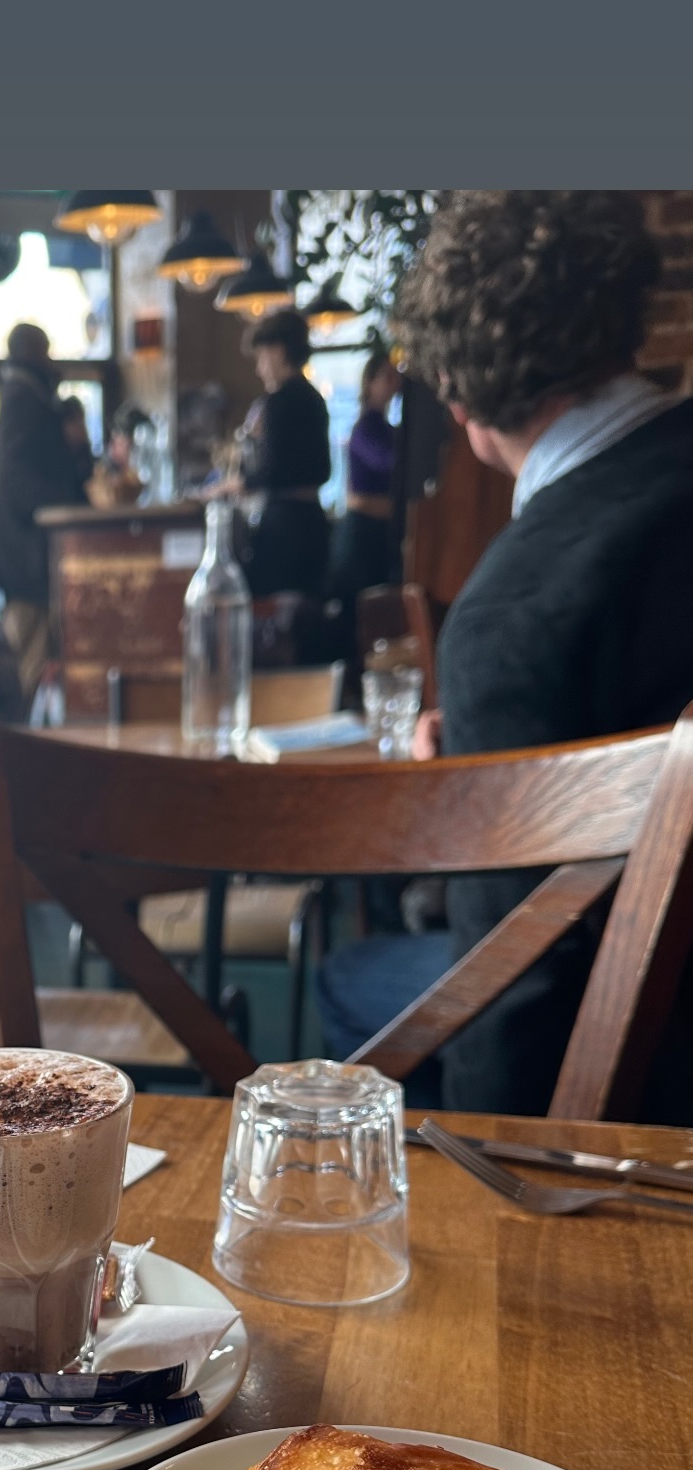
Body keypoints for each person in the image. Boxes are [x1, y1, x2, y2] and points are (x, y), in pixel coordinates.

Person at [323, 191, 693, 1116]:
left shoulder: (512, 618)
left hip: (646, 1076)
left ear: (455, 396)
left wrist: (502, 1215)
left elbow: (508, 988)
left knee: (348, 978)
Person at [0, 322, 88, 700]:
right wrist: (65, 502)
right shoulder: (23, 399)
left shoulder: (28, 397)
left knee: (38, 659)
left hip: (27, 560)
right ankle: (30, 747)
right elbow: (15, 480)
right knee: (32, 664)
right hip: (23, 560)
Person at [238, 306, 332, 598]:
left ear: (278, 352)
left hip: (284, 528)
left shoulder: (276, 403)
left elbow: (272, 470)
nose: (259, 368)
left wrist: (237, 484)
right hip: (314, 523)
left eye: (261, 358)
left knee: (268, 611)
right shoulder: (315, 399)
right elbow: (324, 470)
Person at [329, 353, 401, 609]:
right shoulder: (366, 427)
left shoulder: (386, 427)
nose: (395, 381)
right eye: (387, 376)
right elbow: (391, 463)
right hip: (361, 535)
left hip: (376, 533)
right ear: (369, 382)